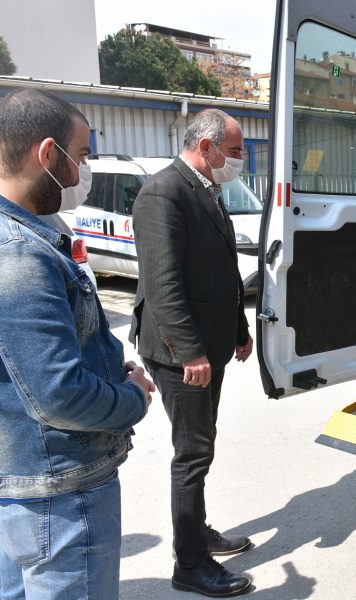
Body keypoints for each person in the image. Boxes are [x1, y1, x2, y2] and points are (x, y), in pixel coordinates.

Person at [0, 88, 154, 598]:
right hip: (60, 491)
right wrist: (131, 398)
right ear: (48, 154)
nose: (80, 173)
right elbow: (58, 394)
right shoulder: (21, 255)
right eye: (81, 156)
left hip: (25, 480)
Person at [130, 109, 254, 597]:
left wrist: (240, 328)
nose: (240, 161)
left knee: (201, 445)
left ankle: (197, 533)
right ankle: (191, 565)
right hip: (182, 351)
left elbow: (223, 271)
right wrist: (190, 353)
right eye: (236, 151)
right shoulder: (164, 192)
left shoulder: (205, 188)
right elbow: (163, 287)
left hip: (209, 344)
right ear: (207, 147)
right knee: (193, 453)